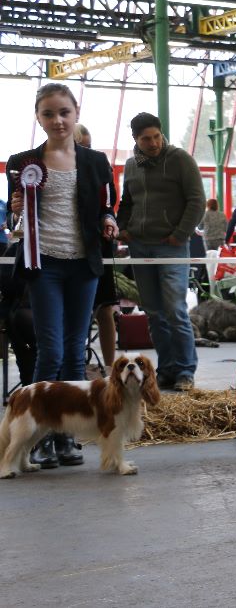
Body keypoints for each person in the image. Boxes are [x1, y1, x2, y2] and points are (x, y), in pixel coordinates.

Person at [6, 83, 118, 468]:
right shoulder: (21, 162)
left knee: (74, 353)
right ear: (38, 118)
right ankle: (37, 436)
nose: (58, 120)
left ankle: (68, 437)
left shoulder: (95, 161)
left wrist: (108, 221)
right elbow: (13, 222)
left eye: (64, 112)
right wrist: (16, 209)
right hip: (44, 264)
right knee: (50, 350)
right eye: (48, 114)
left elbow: (108, 205)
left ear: (76, 112)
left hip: (83, 264)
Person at [117, 112, 206, 392]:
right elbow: (127, 202)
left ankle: (185, 371)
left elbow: (197, 200)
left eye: (157, 136)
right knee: (154, 312)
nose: (153, 143)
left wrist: (179, 235)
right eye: (146, 139)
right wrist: (123, 227)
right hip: (140, 245)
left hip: (172, 245)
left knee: (175, 310)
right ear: (136, 140)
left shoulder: (180, 159)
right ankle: (166, 370)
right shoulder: (131, 165)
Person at [74, 123, 118, 374]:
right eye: (82, 146)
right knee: (76, 311)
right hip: (71, 248)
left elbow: (109, 206)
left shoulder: (101, 168)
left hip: (98, 246)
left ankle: (111, 369)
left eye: (89, 146)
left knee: (105, 309)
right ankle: (75, 365)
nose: (86, 151)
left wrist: (109, 220)